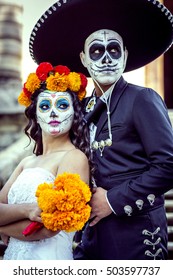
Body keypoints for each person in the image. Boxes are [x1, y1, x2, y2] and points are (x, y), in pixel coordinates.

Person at [27, 0, 173, 259]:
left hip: (136, 235)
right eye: (96, 51)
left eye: (114, 50)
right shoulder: (79, 109)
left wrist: (113, 201)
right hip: (91, 236)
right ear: (83, 59)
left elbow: (167, 166)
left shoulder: (142, 99)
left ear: (125, 56)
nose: (106, 59)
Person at [0, 62, 93, 260]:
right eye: (44, 106)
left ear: (75, 113)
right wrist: (29, 210)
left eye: (62, 105)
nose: (53, 112)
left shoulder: (75, 157)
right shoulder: (27, 162)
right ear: (35, 113)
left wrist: (4, 225)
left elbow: (50, 227)